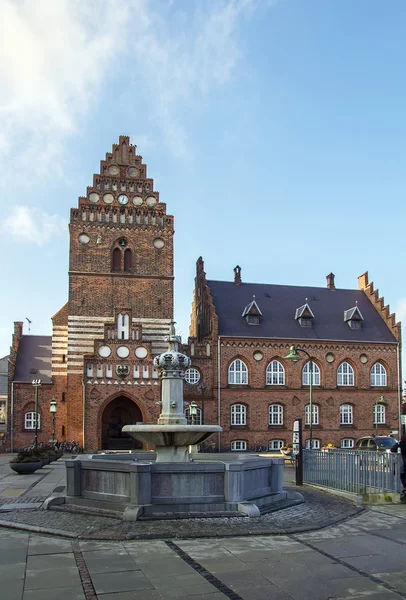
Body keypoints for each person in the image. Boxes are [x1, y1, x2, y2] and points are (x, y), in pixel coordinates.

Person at [390, 433, 406, 499]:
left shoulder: (400, 443)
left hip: (403, 461)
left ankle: (405, 488)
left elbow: (392, 449)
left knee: (403, 475)